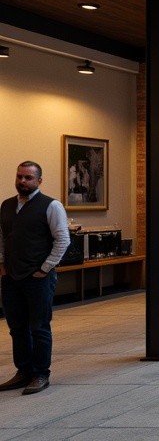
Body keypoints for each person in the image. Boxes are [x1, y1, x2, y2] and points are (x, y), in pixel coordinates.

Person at [0, 162, 70, 394]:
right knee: (17, 328)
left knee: (39, 327)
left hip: (38, 278)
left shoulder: (51, 206)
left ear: (38, 181)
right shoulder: (7, 205)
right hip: (11, 277)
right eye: (20, 176)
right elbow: (3, 238)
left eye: (28, 178)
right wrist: (2, 264)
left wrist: (46, 268)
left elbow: (62, 239)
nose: (23, 181)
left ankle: (41, 374)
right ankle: (23, 372)